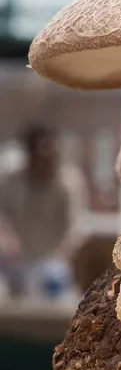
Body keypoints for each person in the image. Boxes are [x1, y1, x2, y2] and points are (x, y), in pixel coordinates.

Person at [0, 125, 85, 300]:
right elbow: (3, 216)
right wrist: (6, 240)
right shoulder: (12, 180)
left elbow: (74, 229)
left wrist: (59, 258)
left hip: (53, 263)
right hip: (15, 261)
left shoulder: (68, 184)